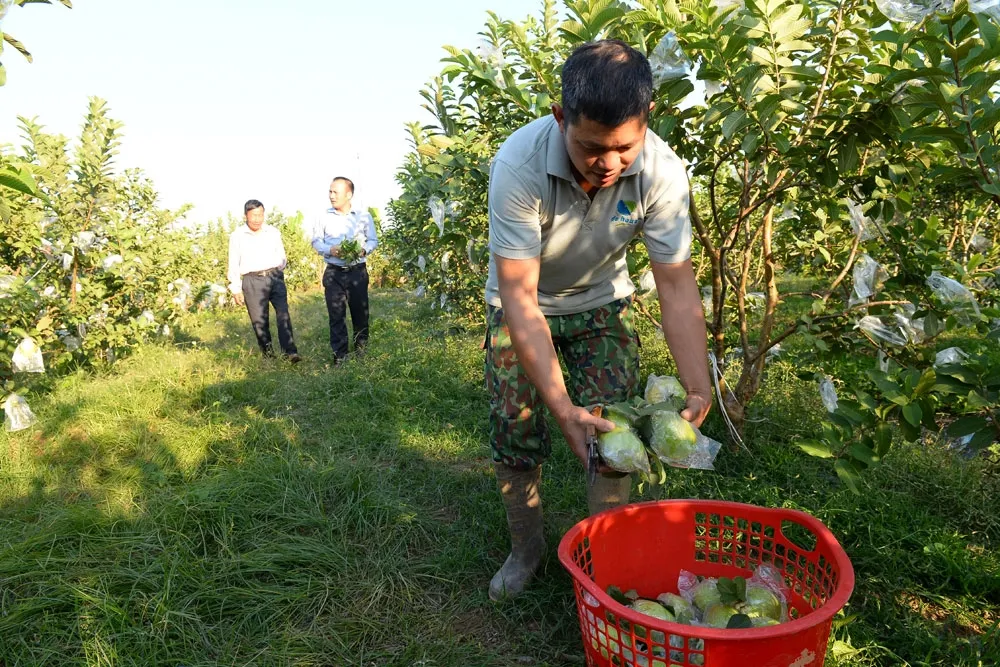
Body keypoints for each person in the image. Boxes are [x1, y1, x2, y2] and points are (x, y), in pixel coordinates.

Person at [484, 39, 713, 600]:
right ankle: (526, 549)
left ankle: (606, 562)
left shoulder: (661, 173)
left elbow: (677, 285)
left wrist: (696, 383)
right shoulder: (519, 164)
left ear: (646, 121)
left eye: (624, 148)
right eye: (591, 147)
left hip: (602, 303)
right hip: (523, 304)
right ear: (561, 116)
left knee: (614, 433)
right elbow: (520, 296)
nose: (609, 164)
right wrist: (561, 408)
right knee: (516, 432)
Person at [311, 177, 379, 363]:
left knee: (360, 313)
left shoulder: (363, 217)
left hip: (357, 271)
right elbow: (316, 241)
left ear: (349, 194)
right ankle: (340, 356)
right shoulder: (323, 216)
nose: (331, 196)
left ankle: (361, 351)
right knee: (336, 315)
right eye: (330, 192)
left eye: (336, 192)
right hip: (334, 272)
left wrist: (364, 250)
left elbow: (373, 240)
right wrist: (329, 250)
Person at [227, 199, 300, 362]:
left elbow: (282, 255)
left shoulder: (272, 232)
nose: (257, 219)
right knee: (259, 319)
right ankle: (268, 354)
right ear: (246, 215)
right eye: (253, 215)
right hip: (252, 279)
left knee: (283, 314)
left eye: (260, 215)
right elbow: (233, 262)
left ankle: (290, 352)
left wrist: (278, 269)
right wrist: (236, 288)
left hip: (274, 276)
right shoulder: (237, 236)